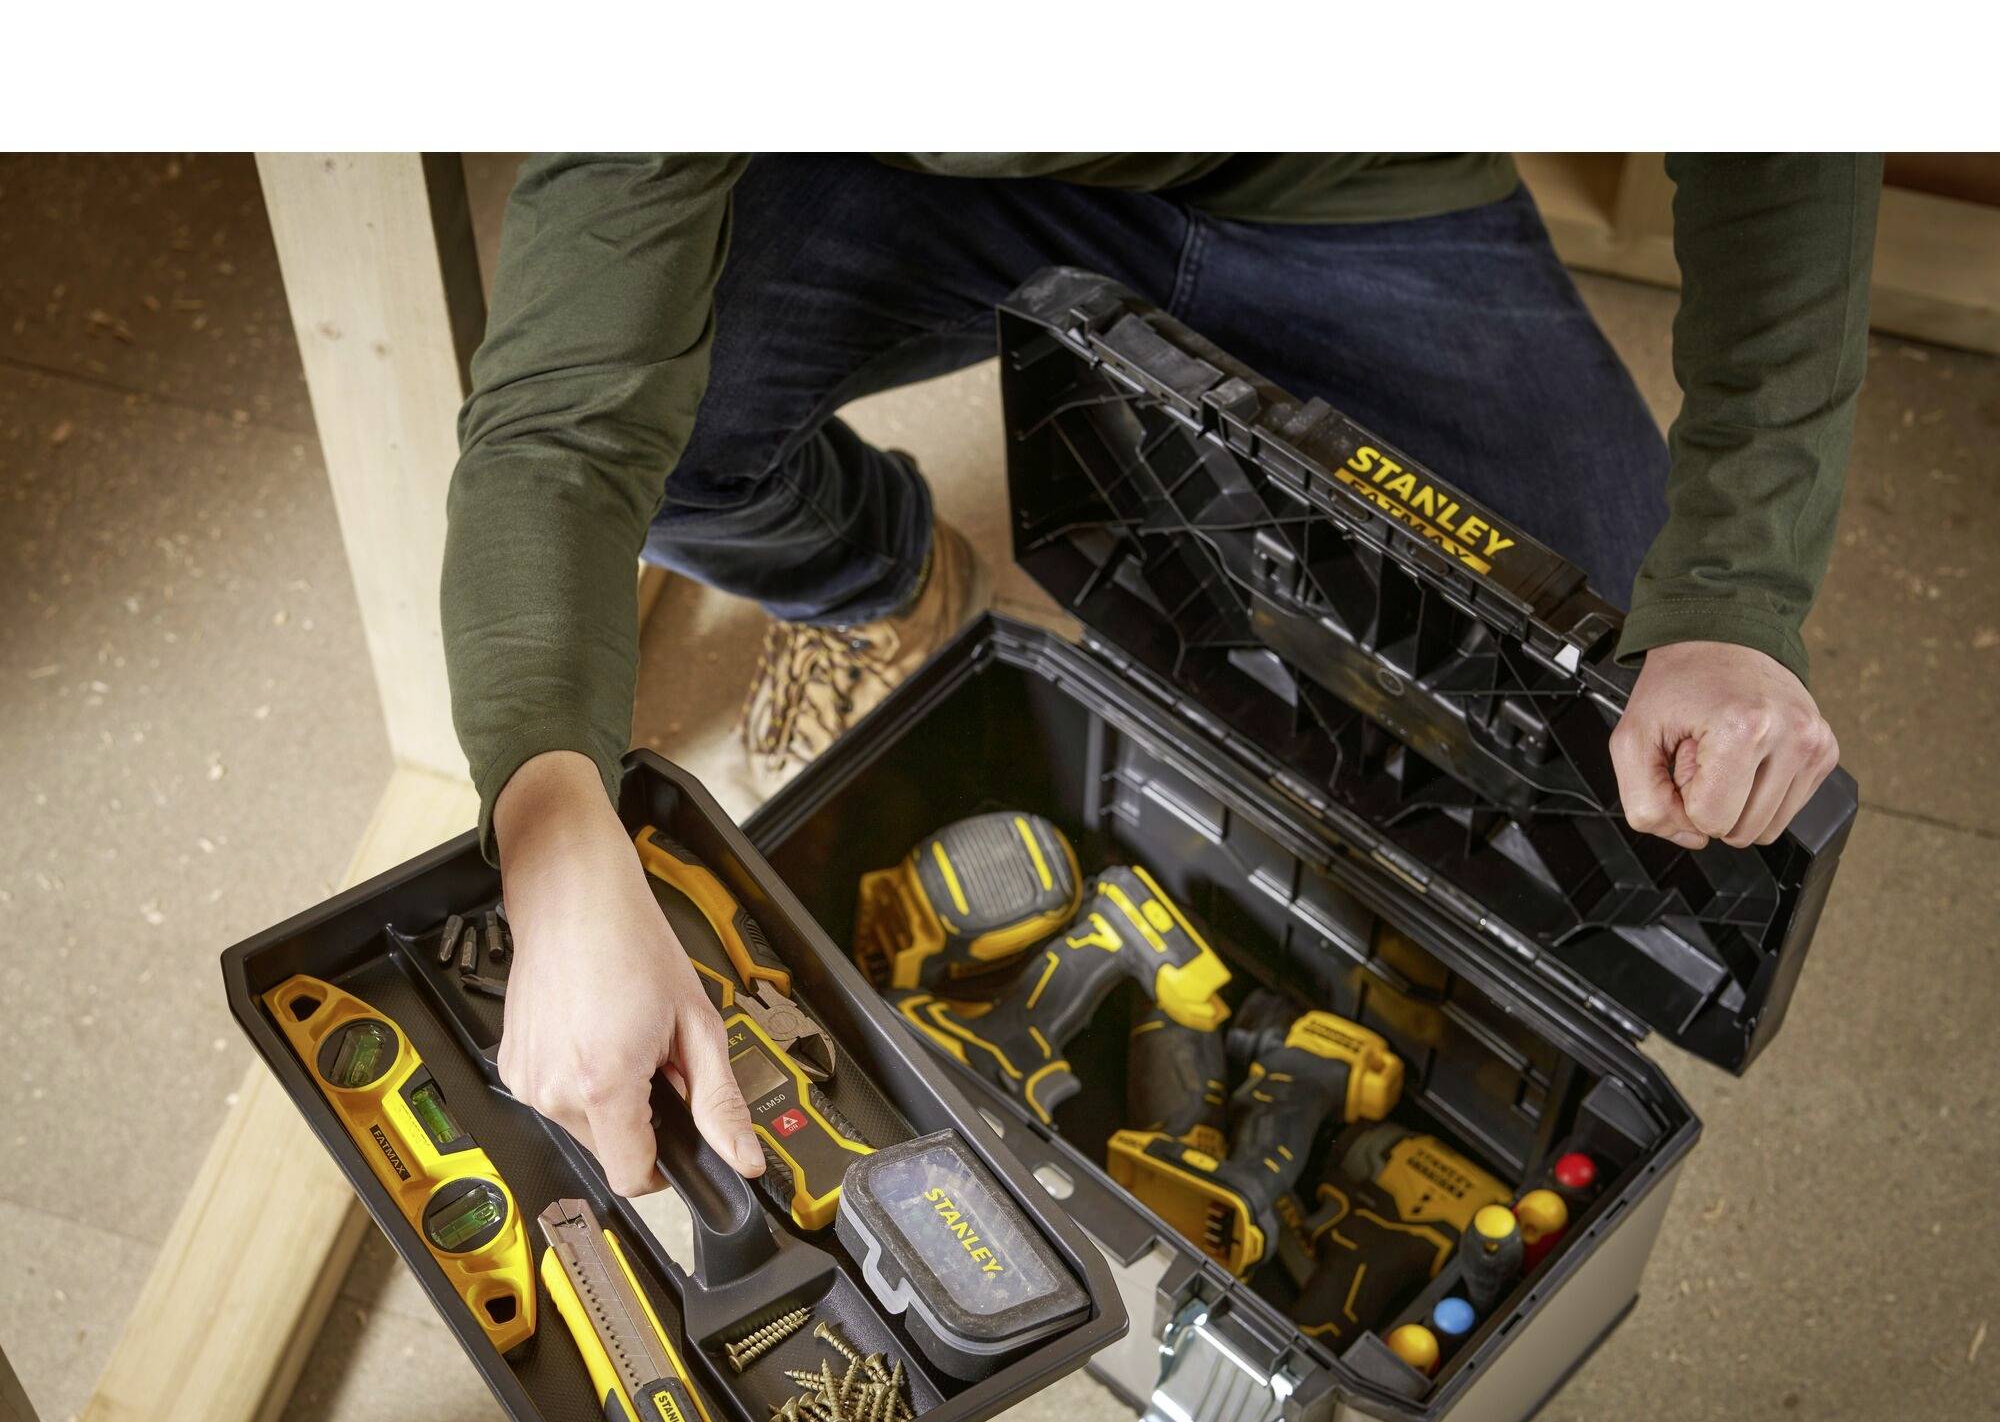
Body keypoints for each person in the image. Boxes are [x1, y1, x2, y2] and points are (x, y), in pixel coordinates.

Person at [443, 153, 1871, 1197]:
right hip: (936, 176)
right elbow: (564, 424)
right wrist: (558, 840)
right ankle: (893, 587)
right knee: (681, 439)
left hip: (1356, 176)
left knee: (1609, 720)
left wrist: (1737, 591)